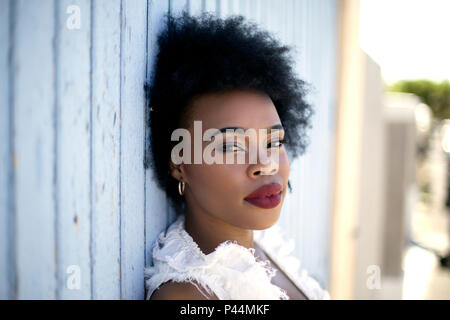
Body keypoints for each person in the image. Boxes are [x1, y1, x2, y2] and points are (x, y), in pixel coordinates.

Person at [144, 10, 330, 300]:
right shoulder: (188, 296)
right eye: (231, 146)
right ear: (178, 162)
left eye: (273, 141)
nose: (265, 164)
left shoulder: (267, 246)